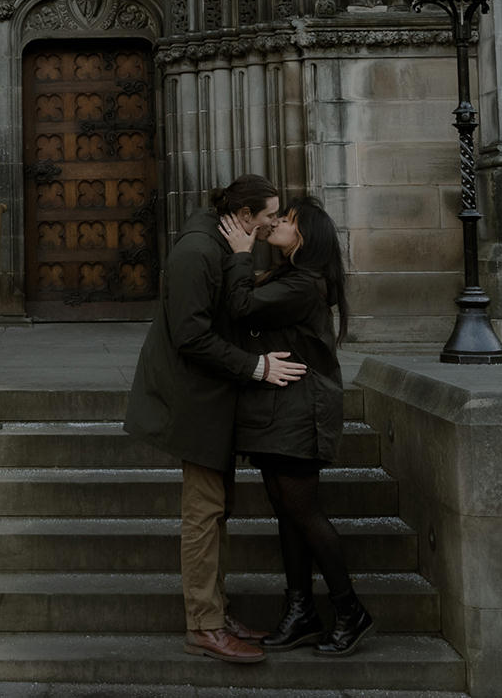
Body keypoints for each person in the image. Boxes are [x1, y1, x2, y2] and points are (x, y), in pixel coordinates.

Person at [124, 174, 305, 664]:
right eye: (269, 215)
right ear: (245, 214)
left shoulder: (225, 239)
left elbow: (232, 301)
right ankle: (203, 625)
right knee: (203, 513)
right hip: (196, 399)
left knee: (216, 508)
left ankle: (215, 612)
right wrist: (256, 366)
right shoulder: (197, 251)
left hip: (215, 397)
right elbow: (190, 336)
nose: (273, 222)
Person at [219, 194, 372, 657]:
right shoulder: (291, 276)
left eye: (286, 220)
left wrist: (241, 256)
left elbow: (242, 306)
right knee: (286, 508)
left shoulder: (304, 284)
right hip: (280, 407)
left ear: (304, 237)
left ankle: (350, 610)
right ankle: (301, 608)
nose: (277, 224)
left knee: (302, 511)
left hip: (301, 409)